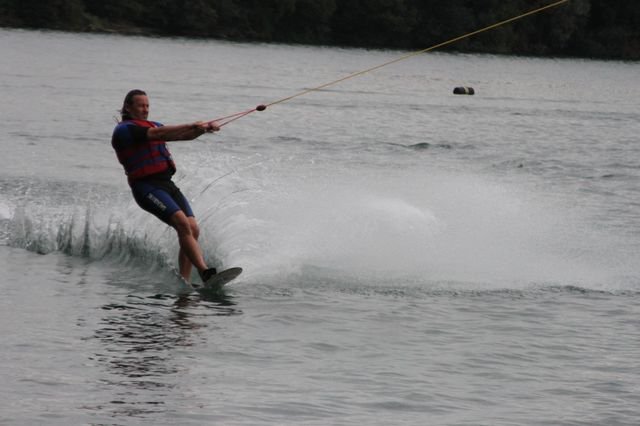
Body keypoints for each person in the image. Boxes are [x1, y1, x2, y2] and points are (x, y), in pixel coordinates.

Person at [111, 89, 219, 284]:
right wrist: (191, 124)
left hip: (167, 184)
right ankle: (205, 272)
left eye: (147, 106)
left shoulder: (154, 125)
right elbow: (159, 133)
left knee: (193, 228)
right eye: (140, 105)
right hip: (145, 187)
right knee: (181, 222)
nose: (145, 110)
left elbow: (183, 135)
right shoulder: (125, 130)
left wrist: (204, 129)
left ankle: (184, 281)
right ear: (128, 107)